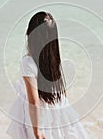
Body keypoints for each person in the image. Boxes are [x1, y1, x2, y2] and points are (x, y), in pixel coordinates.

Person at [7, 11, 89, 139]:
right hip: (58, 110)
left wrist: (37, 131)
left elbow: (34, 101)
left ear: (28, 33)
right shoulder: (52, 58)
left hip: (39, 118)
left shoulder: (28, 62)